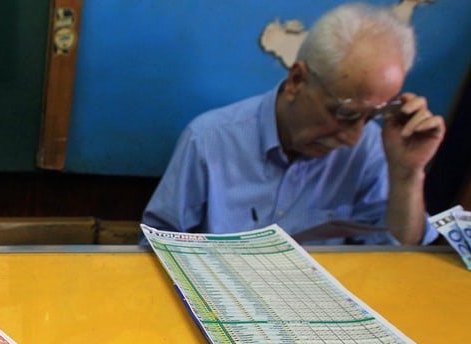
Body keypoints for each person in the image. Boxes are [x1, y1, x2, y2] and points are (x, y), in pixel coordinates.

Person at [141, 2, 445, 245]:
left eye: (371, 117)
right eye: (345, 113)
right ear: (297, 80)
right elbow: (156, 248)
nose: (354, 138)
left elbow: (400, 261)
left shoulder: (369, 149)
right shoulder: (210, 140)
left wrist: (408, 174)